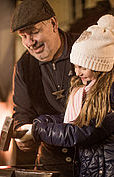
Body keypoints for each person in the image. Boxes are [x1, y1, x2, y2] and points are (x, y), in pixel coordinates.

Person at [32, 14, 114, 177]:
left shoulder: (110, 94)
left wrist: (41, 130)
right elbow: (75, 118)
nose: (77, 72)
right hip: (91, 170)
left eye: (83, 67)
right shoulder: (86, 90)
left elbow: (84, 131)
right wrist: (44, 121)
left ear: (99, 66)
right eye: (75, 66)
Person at [10, 0, 79, 176]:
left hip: (91, 160)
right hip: (50, 163)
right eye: (23, 36)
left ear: (53, 24)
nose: (29, 42)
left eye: (34, 32)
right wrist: (22, 133)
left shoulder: (85, 50)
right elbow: (22, 113)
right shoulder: (23, 66)